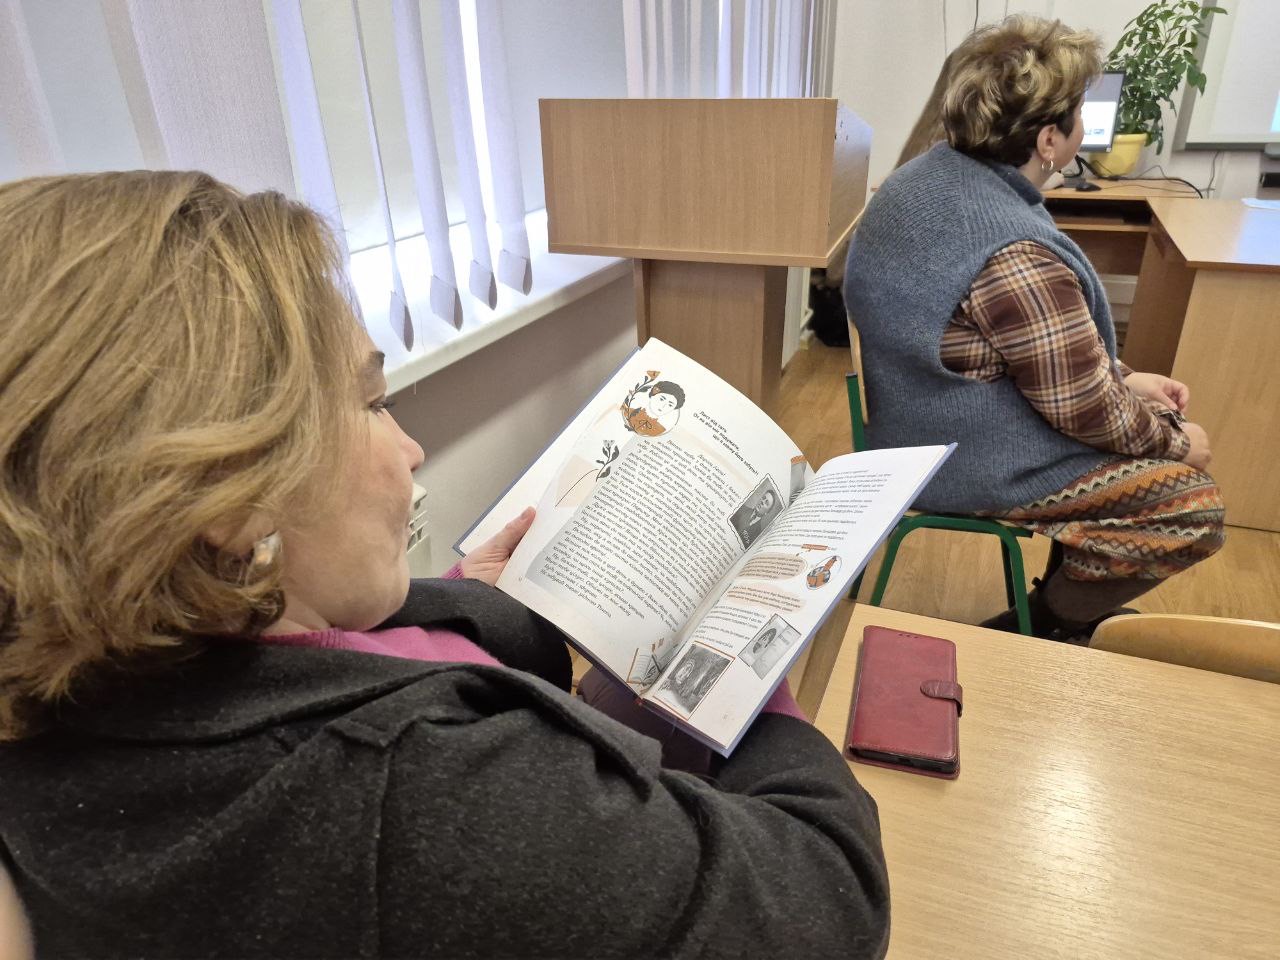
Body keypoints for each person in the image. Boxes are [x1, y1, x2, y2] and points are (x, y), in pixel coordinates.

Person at [0, 171, 890, 957]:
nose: (411, 449)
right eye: (371, 404)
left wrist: (472, 603)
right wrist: (742, 673)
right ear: (228, 496)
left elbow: (345, 656)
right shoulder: (423, 795)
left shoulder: (80, 695)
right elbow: (827, 900)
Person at [843, 16, 1225, 643]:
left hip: (913, 420)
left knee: (1138, 440)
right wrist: (1177, 443)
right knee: (1192, 505)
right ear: (1049, 139)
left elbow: (1021, 343)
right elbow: (1083, 408)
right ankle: (1047, 625)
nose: (1081, 131)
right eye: (1078, 119)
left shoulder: (919, 180)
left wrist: (1125, 378)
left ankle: (1066, 602)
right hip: (961, 453)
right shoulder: (1013, 250)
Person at [621, 379, 685, 436]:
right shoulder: (628, 412)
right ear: (652, 395)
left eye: (670, 405)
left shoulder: (660, 430)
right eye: (661, 399)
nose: (663, 406)